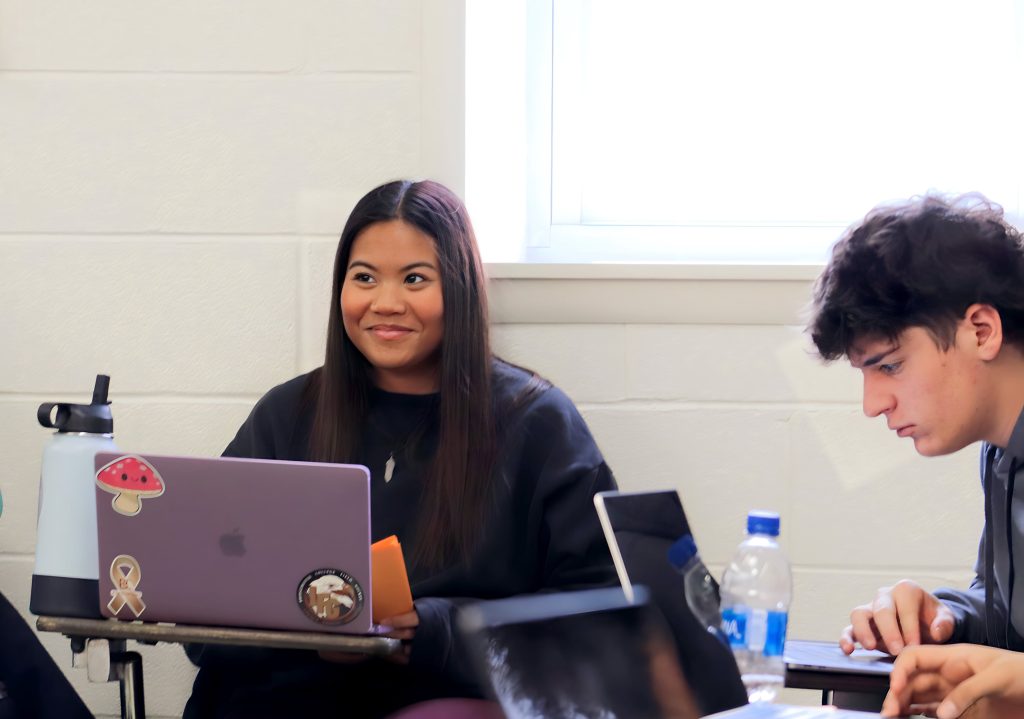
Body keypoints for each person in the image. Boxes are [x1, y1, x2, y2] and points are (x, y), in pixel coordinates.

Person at [183, 179, 619, 718]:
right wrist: (306, 630)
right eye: (364, 277)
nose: (385, 303)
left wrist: (437, 630)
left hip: (437, 699)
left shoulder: (536, 420)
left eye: (415, 279)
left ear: (458, 287)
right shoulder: (288, 412)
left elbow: (603, 618)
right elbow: (198, 611)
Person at [807, 193, 1024, 715]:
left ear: (981, 331)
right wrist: (941, 619)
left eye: (890, 366)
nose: (873, 405)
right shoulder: (1002, 457)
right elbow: (1010, 624)